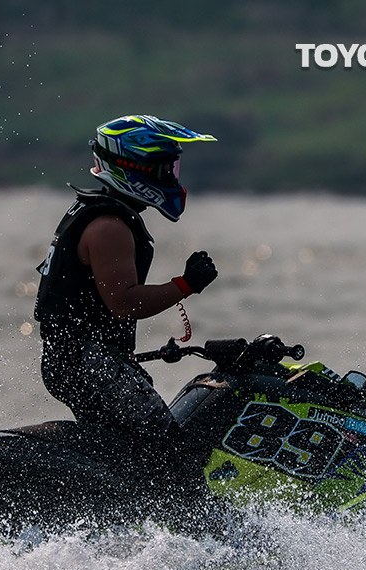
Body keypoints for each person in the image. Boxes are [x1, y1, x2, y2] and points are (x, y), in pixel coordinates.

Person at [33, 114, 218, 495]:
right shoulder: (109, 227)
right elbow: (124, 303)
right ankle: (193, 524)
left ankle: (118, 515)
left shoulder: (94, 212)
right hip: (92, 364)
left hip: (75, 359)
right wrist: (187, 284)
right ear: (134, 169)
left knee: (127, 456)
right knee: (172, 454)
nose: (172, 177)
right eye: (164, 169)